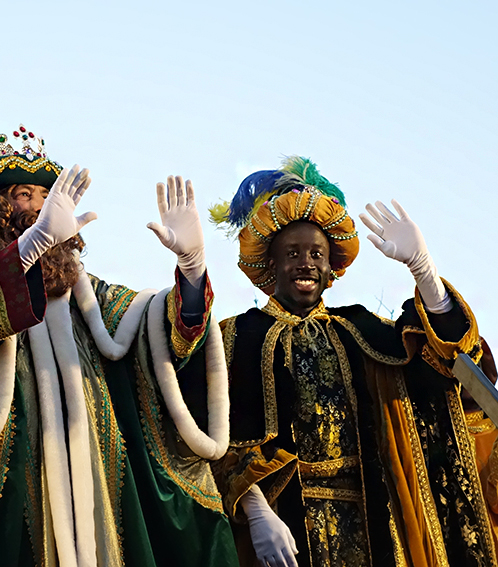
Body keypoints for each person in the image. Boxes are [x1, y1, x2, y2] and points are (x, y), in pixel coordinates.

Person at [0, 127, 238, 566]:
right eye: (22, 194)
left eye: (45, 197)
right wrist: (31, 247)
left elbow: (161, 336)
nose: (36, 208)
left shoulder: (89, 298)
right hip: (7, 500)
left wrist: (192, 271)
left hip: (98, 492)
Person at [210, 156, 495, 566]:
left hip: (374, 520)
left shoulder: (362, 331)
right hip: (283, 525)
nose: (305, 262)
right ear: (272, 266)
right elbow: (218, 436)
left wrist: (424, 273)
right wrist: (256, 511)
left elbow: (447, 367)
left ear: (331, 269)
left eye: (316, 253)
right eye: (292, 253)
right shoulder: (237, 336)